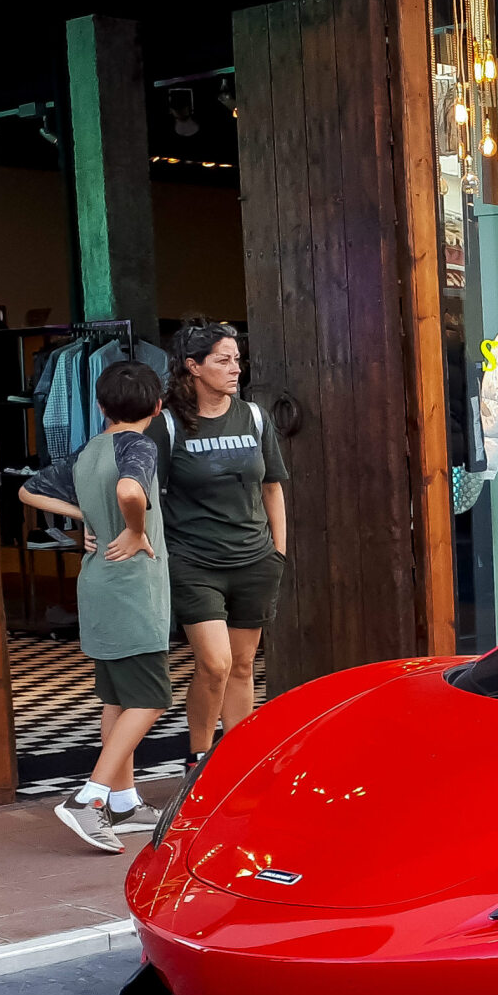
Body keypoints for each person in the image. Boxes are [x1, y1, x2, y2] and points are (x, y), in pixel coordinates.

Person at [15, 362, 172, 852]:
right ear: (158, 407)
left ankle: (123, 802)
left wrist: (85, 513)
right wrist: (133, 527)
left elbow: (28, 489)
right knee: (150, 698)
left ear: (101, 407)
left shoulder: (89, 449)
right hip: (132, 589)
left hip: (98, 583)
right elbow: (130, 490)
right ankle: (90, 799)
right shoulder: (139, 445)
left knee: (117, 697)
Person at [155, 318, 288, 765]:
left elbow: (272, 485)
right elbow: (138, 489)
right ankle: (199, 755)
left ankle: (236, 759)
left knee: (245, 664)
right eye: (223, 360)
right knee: (216, 663)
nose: (235, 369)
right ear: (193, 367)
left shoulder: (254, 416)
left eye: (237, 360)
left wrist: (278, 551)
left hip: (254, 558)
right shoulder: (169, 426)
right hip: (194, 561)